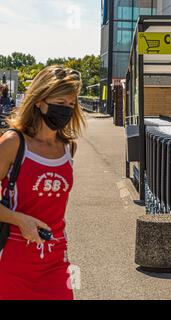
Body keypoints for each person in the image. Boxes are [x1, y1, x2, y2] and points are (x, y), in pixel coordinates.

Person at [0, 66, 85, 300]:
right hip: (11, 261)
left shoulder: (68, 147)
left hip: (56, 260)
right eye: (60, 102)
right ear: (40, 101)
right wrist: (19, 219)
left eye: (71, 104)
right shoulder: (13, 143)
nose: (66, 109)